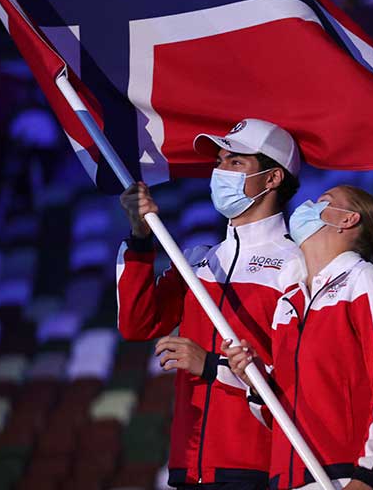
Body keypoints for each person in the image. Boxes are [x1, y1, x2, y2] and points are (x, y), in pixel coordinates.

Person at [116, 118, 304, 489]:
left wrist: (211, 366)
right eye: (219, 162)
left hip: (261, 468)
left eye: (235, 162)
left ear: (273, 178)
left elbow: (297, 378)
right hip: (189, 466)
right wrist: (140, 238)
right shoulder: (199, 259)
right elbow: (137, 323)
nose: (219, 171)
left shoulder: (298, 262)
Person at [223, 185, 373, 490]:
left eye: (322, 201)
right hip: (287, 479)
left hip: (344, 477)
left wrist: (369, 475)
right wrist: (257, 382)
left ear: (348, 220)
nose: (307, 206)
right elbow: (278, 417)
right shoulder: (289, 302)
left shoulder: (365, 278)